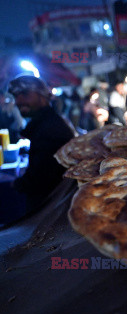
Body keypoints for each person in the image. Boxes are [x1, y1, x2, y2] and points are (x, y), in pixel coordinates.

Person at [7, 75, 75, 214]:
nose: (18, 101)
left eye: (25, 94)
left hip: (51, 211)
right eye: (16, 96)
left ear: (42, 95)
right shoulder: (44, 124)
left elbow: (42, 178)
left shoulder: (50, 128)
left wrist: (16, 184)